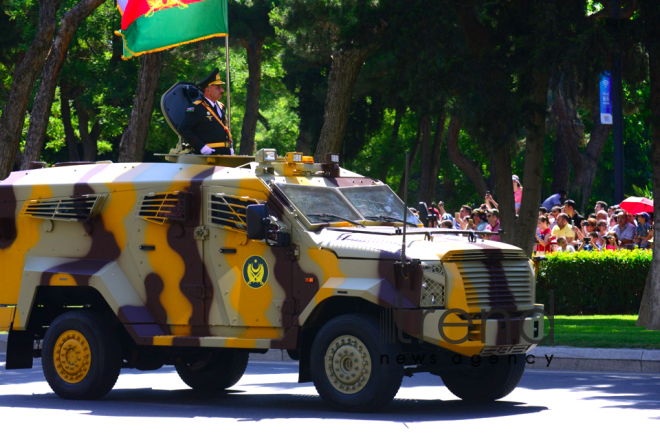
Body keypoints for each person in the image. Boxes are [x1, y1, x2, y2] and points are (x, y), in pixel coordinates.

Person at [179, 68, 233, 155]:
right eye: (218, 88)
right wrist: (201, 147)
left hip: (224, 153)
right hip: (208, 155)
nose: (222, 90)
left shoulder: (221, 106)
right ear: (207, 90)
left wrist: (229, 147)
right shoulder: (197, 107)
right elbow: (183, 129)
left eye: (221, 87)